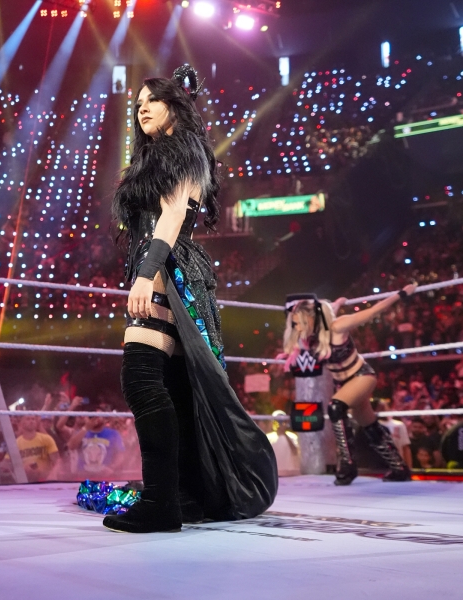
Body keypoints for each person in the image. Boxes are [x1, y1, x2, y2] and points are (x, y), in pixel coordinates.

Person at [105, 64, 278, 534]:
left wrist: (145, 274)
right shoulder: (163, 154)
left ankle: (161, 501)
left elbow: (173, 215)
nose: (141, 109)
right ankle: (184, 497)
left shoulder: (183, 148)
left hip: (168, 268)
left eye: (151, 100)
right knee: (178, 389)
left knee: (142, 378)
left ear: (174, 105)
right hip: (168, 266)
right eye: (137, 104)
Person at [283, 287, 416, 485]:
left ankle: (348, 465)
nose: (297, 329)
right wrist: (338, 302)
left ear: (310, 319)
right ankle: (399, 468)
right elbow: (328, 311)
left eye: (299, 323)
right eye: (294, 324)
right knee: (369, 425)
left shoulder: (338, 326)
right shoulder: (311, 337)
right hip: (344, 384)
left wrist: (402, 294)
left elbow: (373, 311)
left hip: (361, 376)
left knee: (335, 407)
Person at [15, 414, 58, 482]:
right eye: (28, 419)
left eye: (33, 419)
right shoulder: (16, 443)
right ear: (22, 423)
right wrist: (23, 469)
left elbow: (57, 461)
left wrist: (53, 476)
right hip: (24, 481)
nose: (31, 421)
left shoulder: (47, 439)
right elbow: (7, 464)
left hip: (45, 480)